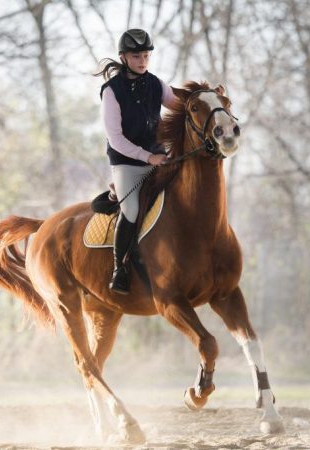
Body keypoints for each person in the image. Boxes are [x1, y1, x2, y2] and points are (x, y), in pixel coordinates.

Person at [95, 28, 177, 295]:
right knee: (130, 209)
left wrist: (206, 100)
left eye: (146, 55)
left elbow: (180, 105)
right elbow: (116, 139)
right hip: (127, 163)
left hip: (158, 159)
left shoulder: (155, 83)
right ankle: (121, 269)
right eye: (136, 56)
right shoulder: (111, 91)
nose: (142, 61)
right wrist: (148, 156)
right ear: (123, 57)